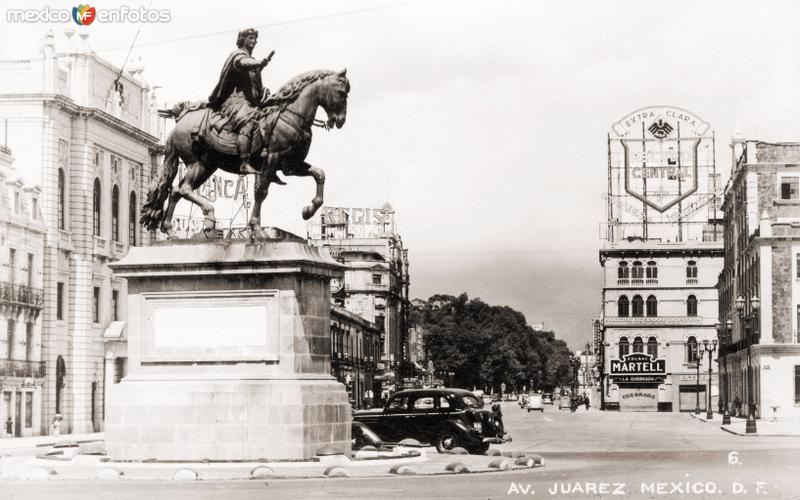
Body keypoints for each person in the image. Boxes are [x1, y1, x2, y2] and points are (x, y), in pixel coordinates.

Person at [208, 28, 278, 178]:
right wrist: (258, 62)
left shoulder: (251, 61)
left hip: (251, 101)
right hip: (235, 100)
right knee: (248, 120)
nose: (254, 41)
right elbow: (241, 63)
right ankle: (244, 161)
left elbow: (255, 86)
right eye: (251, 38)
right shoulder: (238, 55)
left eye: (255, 39)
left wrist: (264, 94)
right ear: (243, 39)